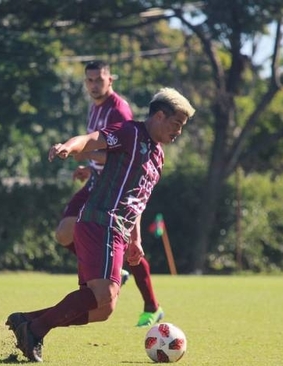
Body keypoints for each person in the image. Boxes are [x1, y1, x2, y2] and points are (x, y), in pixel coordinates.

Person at [7, 87, 195, 362]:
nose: (178, 131)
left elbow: (138, 201)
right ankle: (35, 331)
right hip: (101, 220)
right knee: (104, 293)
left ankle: (26, 320)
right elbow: (93, 139)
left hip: (119, 230)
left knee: (102, 310)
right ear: (158, 115)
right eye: (176, 123)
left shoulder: (159, 155)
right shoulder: (131, 132)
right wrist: (67, 147)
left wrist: (136, 239)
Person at [55, 60, 165, 327]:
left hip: (114, 189)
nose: (94, 85)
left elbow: (125, 154)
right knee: (64, 233)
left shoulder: (119, 110)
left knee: (129, 245)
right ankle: (117, 271)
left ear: (110, 80)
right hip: (96, 180)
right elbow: (102, 151)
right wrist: (88, 166)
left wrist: (84, 152)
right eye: (89, 80)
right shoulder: (95, 108)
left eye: (99, 79)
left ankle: (151, 304)